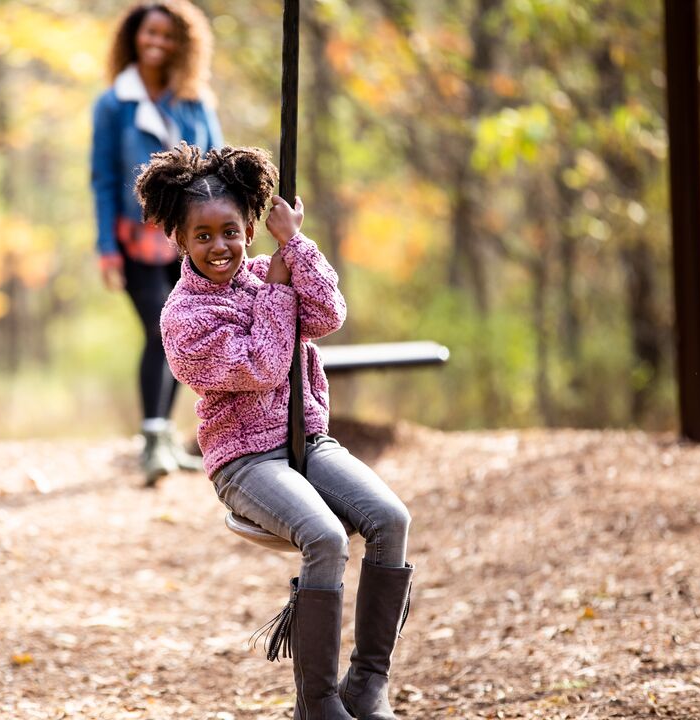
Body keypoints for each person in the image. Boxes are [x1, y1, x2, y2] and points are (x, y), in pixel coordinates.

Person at [140, 143, 415, 720]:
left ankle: (367, 682)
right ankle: (317, 703)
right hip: (246, 460)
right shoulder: (183, 316)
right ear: (182, 241)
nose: (221, 247)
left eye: (232, 232)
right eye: (205, 236)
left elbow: (329, 314)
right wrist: (279, 290)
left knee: (391, 520)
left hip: (307, 440)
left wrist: (294, 244)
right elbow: (261, 366)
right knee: (327, 539)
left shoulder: (271, 271)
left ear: (248, 229)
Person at [90, 1, 223, 486]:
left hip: (190, 242)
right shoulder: (113, 104)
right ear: (134, 37)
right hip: (135, 242)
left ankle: (165, 438)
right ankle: (152, 442)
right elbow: (103, 179)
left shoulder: (195, 100)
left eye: (168, 36)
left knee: (178, 334)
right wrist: (106, 247)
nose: (158, 43)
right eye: (150, 33)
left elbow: (218, 165)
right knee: (160, 328)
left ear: (182, 43)